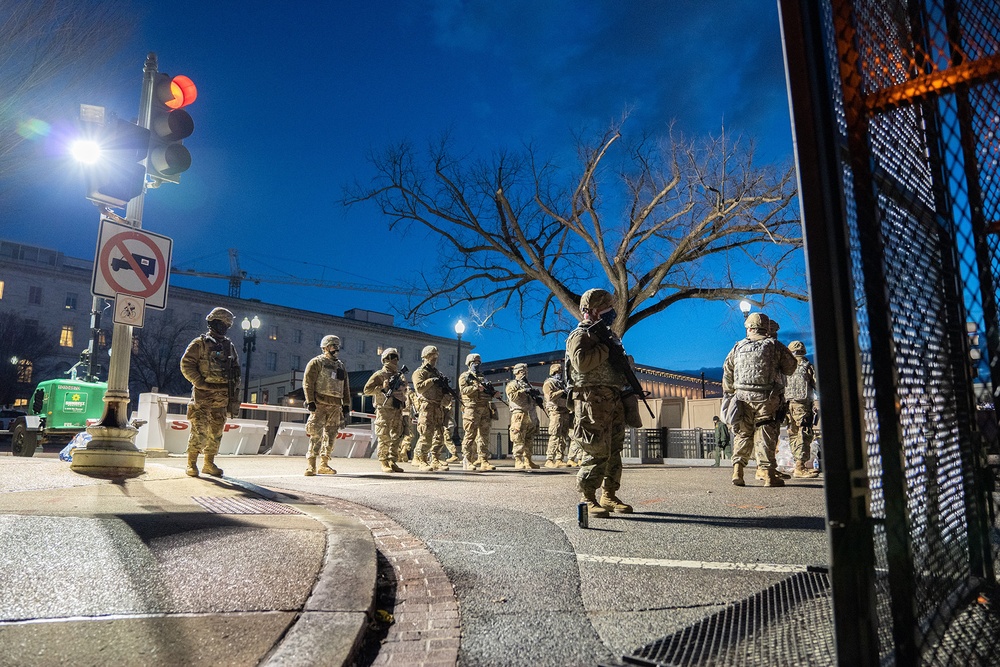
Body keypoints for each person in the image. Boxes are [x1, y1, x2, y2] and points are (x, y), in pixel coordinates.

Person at [565, 288, 634, 516]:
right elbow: (581, 364)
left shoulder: (609, 335)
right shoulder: (580, 335)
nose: (611, 312)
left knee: (614, 450)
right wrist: (606, 347)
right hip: (590, 401)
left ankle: (609, 495)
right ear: (593, 310)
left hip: (612, 399)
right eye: (607, 308)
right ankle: (587, 497)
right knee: (595, 449)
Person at [723, 312, 798, 487]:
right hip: (766, 399)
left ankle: (738, 472)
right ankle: (769, 475)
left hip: (742, 399)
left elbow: (727, 371)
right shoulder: (774, 345)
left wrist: (730, 393)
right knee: (765, 436)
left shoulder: (737, 347)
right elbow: (791, 367)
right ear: (766, 327)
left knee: (743, 434)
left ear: (748, 327)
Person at [179, 307, 242, 478]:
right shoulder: (199, 344)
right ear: (213, 323)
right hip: (203, 396)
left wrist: (234, 386)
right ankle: (191, 463)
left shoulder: (229, 346)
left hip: (222, 397)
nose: (224, 327)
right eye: (222, 323)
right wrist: (200, 382)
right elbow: (186, 364)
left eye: (227, 324)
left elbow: (235, 368)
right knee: (199, 431)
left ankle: (209, 463)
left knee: (216, 432)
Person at [302, 335, 350, 476]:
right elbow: (308, 383)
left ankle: (324, 463)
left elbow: (345, 387)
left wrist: (346, 404)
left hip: (335, 406)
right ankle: (311, 465)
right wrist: (310, 401)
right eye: (333, 345)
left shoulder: (340, 366)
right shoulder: (316, 362)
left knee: (331, 435)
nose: (336, 348)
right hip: (320, 404)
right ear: (325, 347)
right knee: (315, 434)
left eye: (337, 345)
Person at [363, 348, 408, 473]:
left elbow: (405, 389)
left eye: (396, 357)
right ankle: (384, 461)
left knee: (396, 436)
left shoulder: (400, 375)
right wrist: (381, 388)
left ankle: (392, 460)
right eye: (392, 356)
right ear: (385, 359)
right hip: (384, 409)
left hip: (397, 408)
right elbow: (367, 390)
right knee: (384, 436)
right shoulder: (379, 375)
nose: (395, 360)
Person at [412, 345, 452, 471]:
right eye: (431, 356)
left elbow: (444, 394)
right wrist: (432, 381)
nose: (434, 359)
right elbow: (419, 387)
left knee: (439, 435)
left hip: (438, 407)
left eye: (435, 356)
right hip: (427, 406)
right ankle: (421, 459)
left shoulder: (438, 373)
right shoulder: (420, 372)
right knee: (426, 434)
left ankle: (435, 458)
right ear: (425, 357)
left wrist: (445, 390)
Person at [785, 340, 820, 478]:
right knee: (804, 434)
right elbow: (817, 385)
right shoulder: (807, 366)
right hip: (802, 406)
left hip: (787, 406)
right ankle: (800, 466)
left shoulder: (785, 367)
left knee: (793, 434)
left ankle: (797, 464)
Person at [458, 353, 497, 471]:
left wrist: (493, 393)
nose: (477, 364)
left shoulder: (482, 377)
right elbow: (464, 390)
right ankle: (467, 460)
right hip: (472, 408)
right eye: (475, 362)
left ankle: (484, 460)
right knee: (470, 435)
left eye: (479, 362)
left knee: (484, 435)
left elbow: (487, 390)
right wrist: (476, 388)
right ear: (469, 362)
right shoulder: (465, 376)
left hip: (485, 408)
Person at [506, 363, 540, 469]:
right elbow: (512, 396)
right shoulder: (512, 385)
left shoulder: (528, 385)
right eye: (521, 371)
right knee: (518, 438)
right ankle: (518, 460)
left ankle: (528, 460)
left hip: (530, 414)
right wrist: (524, 391)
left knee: (529, 439)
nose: (524, 374)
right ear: (516, 372)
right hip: (519, 414)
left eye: (525, 371)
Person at [542, 362, 571, 468]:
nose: (559, 374)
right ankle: (549, 459)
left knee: (563, 436)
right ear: (553, 372)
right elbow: (550, 397)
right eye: (557, 372)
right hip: (555, 411)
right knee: (555, 435)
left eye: (560, 372)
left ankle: (559, 458)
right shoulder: (549, 383)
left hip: (564, 410)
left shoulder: (561, 383)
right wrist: (562, 391)